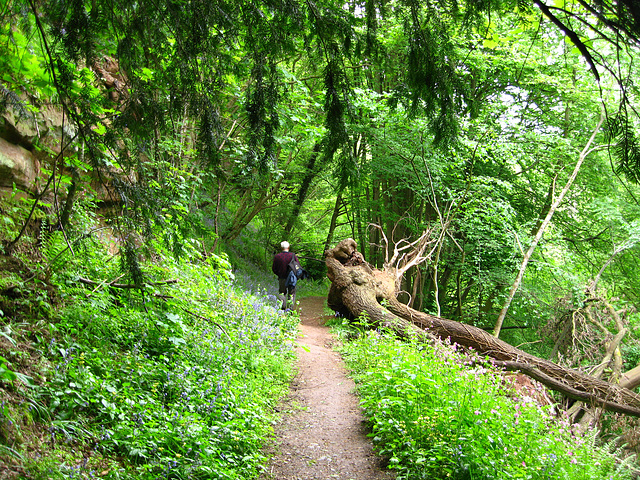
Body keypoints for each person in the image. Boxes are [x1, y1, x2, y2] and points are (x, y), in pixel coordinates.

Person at [271, 241, 298, 310]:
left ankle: (282, 308)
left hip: (282, 278)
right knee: (291, 294)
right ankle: (290, 309)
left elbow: (274, 268)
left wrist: (279, 274)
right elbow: (297, 267)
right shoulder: (293, 256)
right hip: (291, 278)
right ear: (288, 247)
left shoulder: (277, 256)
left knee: (282, 293)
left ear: (281, 248)